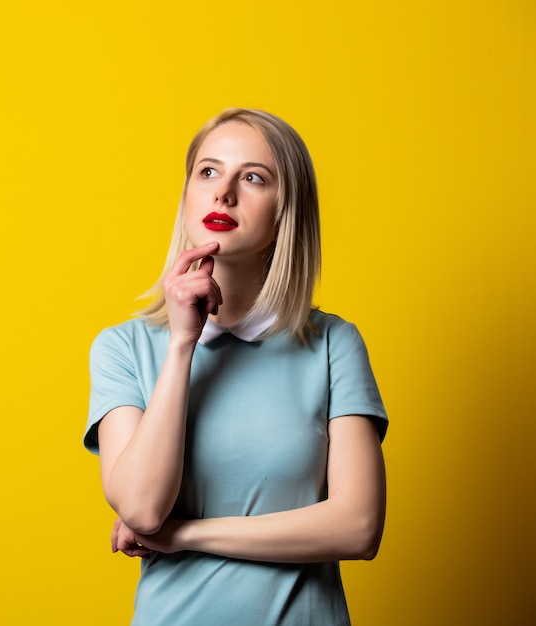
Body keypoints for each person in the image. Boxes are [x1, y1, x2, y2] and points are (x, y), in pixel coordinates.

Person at [84, 108, 388, 625]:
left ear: (284, 214)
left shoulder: (333, 344)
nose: (223, 192)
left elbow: (358, 527)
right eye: (207, 171)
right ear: (185, 197)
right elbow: (141, 509)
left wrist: (185, 535)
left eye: (252, 177)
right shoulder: (123, 347)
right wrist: (183, 343)